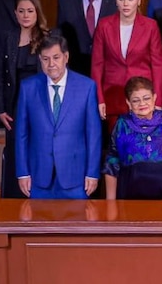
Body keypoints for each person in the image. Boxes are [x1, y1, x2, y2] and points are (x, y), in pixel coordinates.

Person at [15, 34, 102, 199]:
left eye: (56, 58)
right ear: (40, 59)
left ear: (66, 57)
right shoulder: (28, 87)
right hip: (38, 178)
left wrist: (92, 173)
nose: (51, 64)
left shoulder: (87, 87)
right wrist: (23, 172)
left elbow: (93, 134)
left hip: (76, 178)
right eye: (45, 59)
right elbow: (21, 134)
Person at [104, 76, 162, 201]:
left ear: (154, 98)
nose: (142, 104)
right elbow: (112, 162)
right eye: (136, 100)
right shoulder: (122, 124)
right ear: (128, 103)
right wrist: (110, 203)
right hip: (129, 200)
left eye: (146, 98)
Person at [0, 0, 49, 198]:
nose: (26, 15)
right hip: (15, 104)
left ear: (37, 13)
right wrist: (0, 108)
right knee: (16, 148)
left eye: (30, 11)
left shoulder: (48, 38)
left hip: (41, 104)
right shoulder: (8, 37)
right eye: (22, 11)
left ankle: (40, 192)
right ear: (15, 14)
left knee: (40, 146)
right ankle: (15, 197)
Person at [92, 0, 162, 132]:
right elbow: (97, 64)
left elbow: (158, 65)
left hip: (143, 98)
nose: (125, 4)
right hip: (113, 95)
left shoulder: (150, 26)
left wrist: (158, 100)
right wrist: (99, 98)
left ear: (139, 1)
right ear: (116, 1)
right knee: (118, 141)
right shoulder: (104, 25)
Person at [56, 0, 116, 75]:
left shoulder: (116, 0)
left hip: (109, 67)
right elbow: (60, 37)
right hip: (75, 68)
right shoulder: (66, 2)